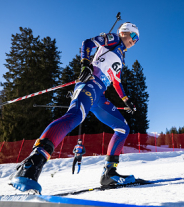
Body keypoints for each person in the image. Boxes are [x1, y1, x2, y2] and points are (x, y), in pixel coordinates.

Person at [9, 22, 140, 193]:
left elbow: (117, 82)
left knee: (122, 128)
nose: (135, 41)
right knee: (75, 116)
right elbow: (88, 43)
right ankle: (30, 166)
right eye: (134, 36)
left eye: (137, 40)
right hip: (89, 84)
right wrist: (85, 64)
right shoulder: (114, 39)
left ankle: (109, 173)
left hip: (99, 95)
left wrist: (126, 100)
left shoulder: (121, 56)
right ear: (124, 32)